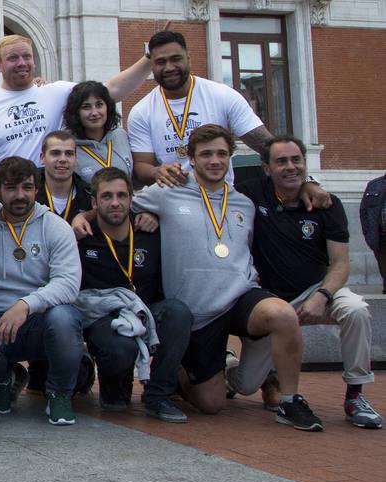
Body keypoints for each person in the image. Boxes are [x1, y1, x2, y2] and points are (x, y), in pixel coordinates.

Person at [125, 125, 322, 430]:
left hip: (240, 296)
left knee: (283, 315)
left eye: (221, 154)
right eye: (206, 154)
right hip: (198, 311)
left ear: (230, 157)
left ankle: (290, 400)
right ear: (191, 158)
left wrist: (311, 183)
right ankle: (179, 371)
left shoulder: (245, 201)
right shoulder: (165, 193)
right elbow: (116, 206)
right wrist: (139, 215)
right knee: (211, 405)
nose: (214, 160)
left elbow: (289, 187)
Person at [239, 136, 380, 428]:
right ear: (266, 168)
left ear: (305, 164)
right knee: (245, 385)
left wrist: (323, 295)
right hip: (270, 302)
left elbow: (340, 263)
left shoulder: (327, 204)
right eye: (281, 162)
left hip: (315, 291)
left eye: (296, 160)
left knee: (356, 310)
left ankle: (355, 395)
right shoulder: (251, 193)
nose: (290, 167)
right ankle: (239, 369)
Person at [0, 157, 83, 425]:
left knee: (65, 319)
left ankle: (59, 393)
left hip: (44, 317)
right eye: (11, 188)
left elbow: (68, 283)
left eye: (27, 188)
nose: (20, 196)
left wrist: (26, 304)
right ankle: (4, 379)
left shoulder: (55, 226)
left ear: (36, 189)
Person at [76, 168, 193, 422]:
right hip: (103, 319)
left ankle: (159, 394)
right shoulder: (82, 235)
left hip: (144, 312)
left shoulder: (149, 232)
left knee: (178, 313)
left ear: (132, 199)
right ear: (94, 202)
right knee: (120, 351)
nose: (115, 203)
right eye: (106, 197)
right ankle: (114, 381)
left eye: (121, 195)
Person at [0, 34, 147, 179]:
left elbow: (111, 90)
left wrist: (149, 58)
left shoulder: (57, 92)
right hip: (1, 201)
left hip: (50, 199)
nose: (22, 63)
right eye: (13, 58)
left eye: (27, 56)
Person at [130, 30, 268, 186]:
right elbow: (141, 166)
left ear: (188, 59)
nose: (169, 67)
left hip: (220, 199)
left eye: (176, 59)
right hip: (171, 202)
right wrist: (157, 172)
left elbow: (266, 145)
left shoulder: (223, 96)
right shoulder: (141, 111)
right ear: (152, 66)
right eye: (161, 62)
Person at [64, 80, 132, 186]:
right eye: (86, 107)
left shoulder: (121, 135)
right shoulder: (68, 147)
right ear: (76, 112)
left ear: (108, 107)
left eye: (99, 105)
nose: (94, 113)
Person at [36, 131, 91, 225]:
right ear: (42, 158)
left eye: (69, 154)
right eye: (55, 153)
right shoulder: (28, 192)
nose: (63, 159)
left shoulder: (89, 196)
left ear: (76, 158)